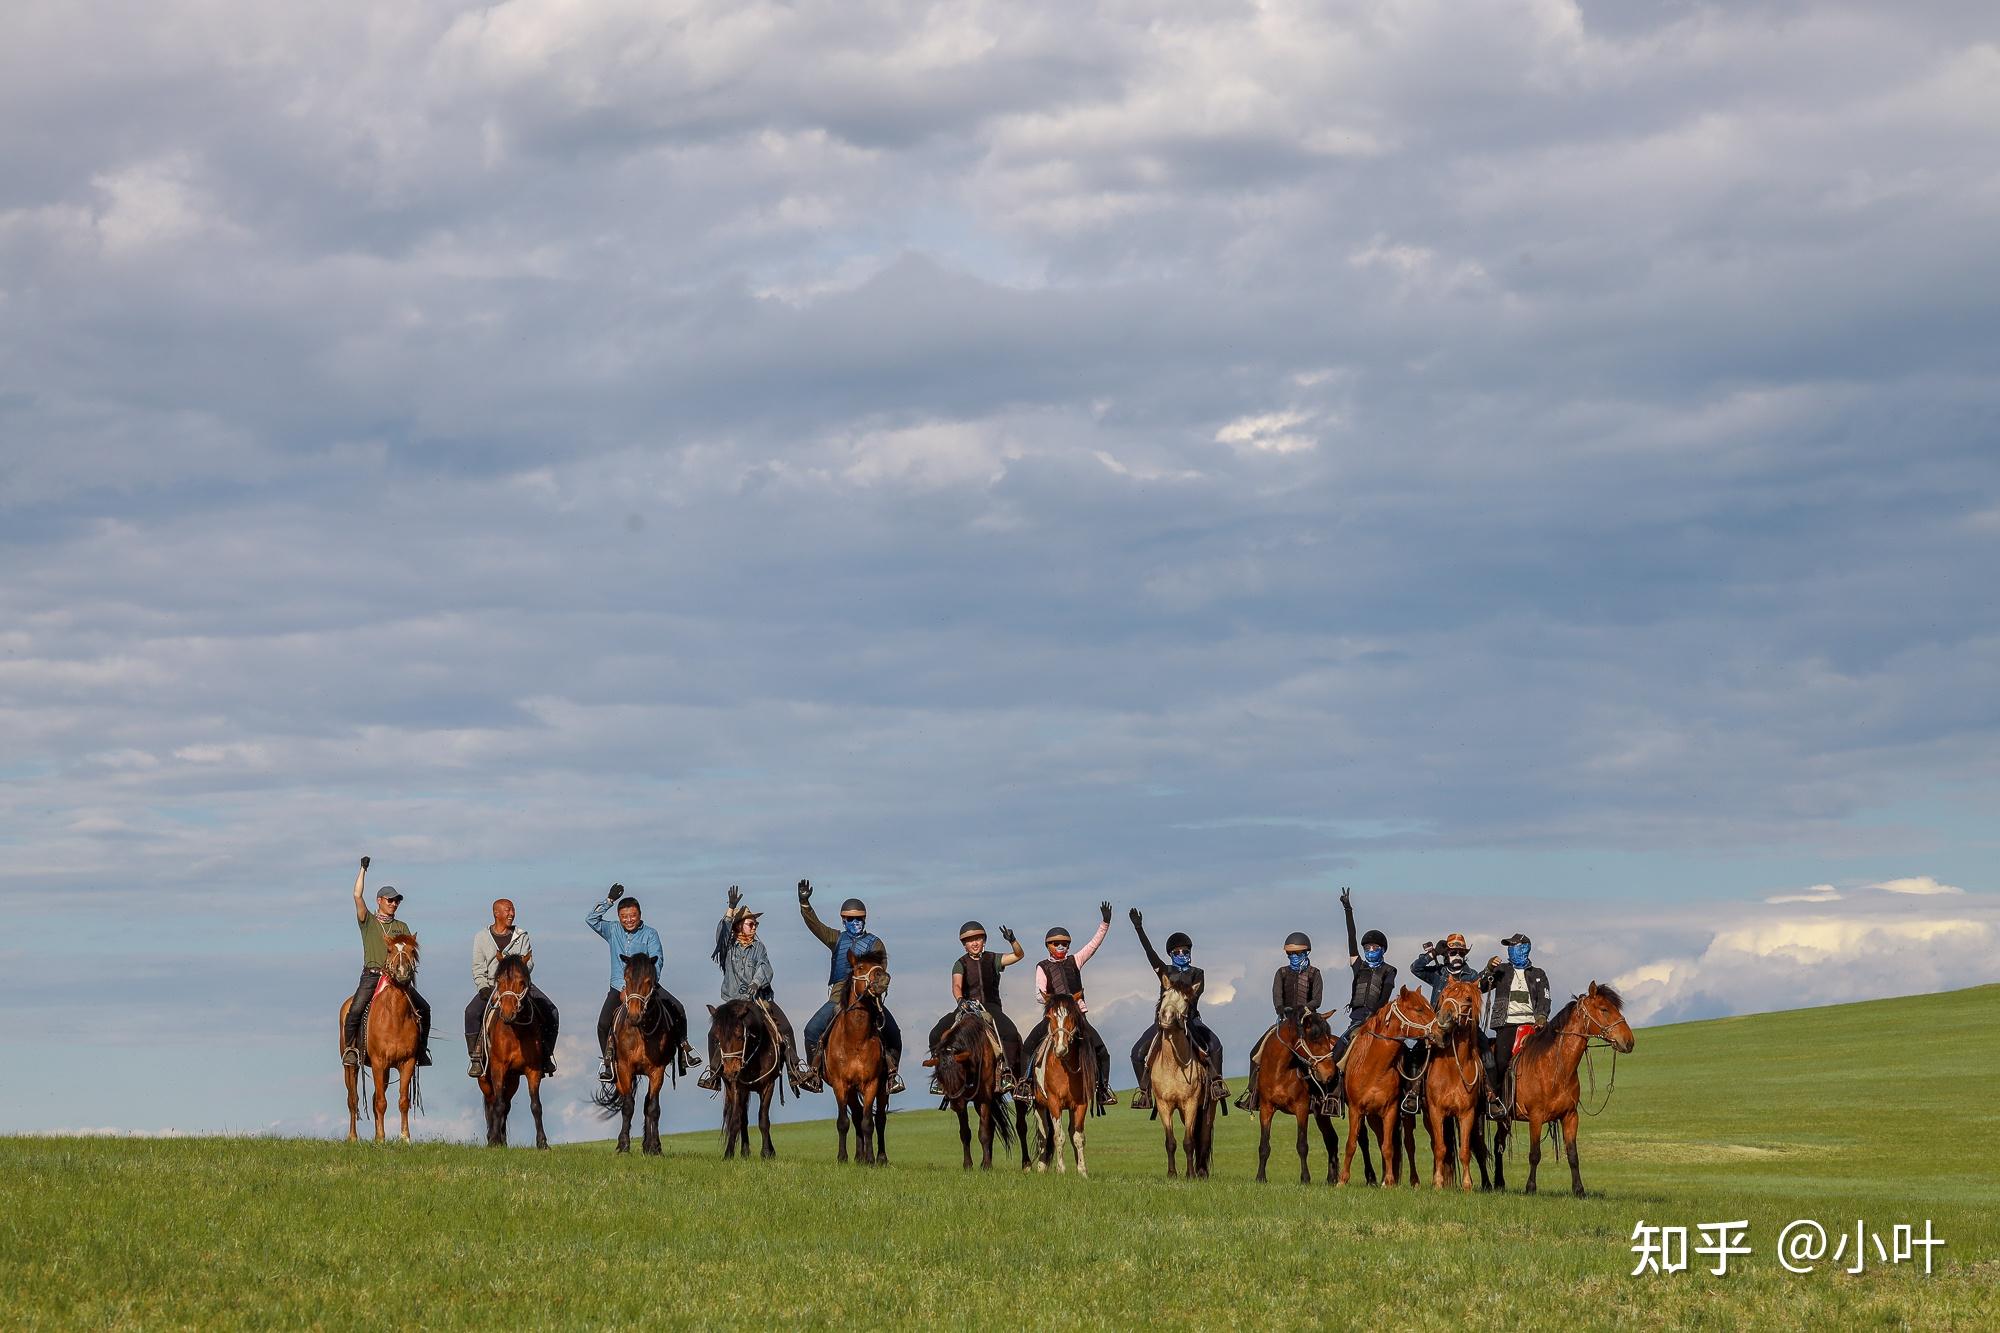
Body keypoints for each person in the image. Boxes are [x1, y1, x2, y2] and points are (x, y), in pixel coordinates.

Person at [698, 885, 810, 1094]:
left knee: (785, 1029)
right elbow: (721, 933)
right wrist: (730, 909)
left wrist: (756, 983)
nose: (755, 927)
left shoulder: (759, 947)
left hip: (759, 1001)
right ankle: (713, 1073)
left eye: (755, 924)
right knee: (714, 1033)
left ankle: (795, 1070)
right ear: (739, 926)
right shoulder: (728, 947)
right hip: (732, 1002)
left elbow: (765, 967)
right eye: (751, 923)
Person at [797, 879, 904, 1095]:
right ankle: (814, 1073)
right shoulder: (836, 938)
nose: (856, 923)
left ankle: (892, 1076)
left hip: (869, 1001)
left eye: (859, 919)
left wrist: (875, 989)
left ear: (865, 920)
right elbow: (816, 926)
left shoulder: (875, 943)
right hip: (838, 999)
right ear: (844, 920)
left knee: (893, 1032)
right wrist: (805, 904)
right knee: (811, 1030)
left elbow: (881, 975)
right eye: (851, 919)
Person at [587, 884, 699, 1081]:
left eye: (633, 915)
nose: (629, 920)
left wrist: (647, 983)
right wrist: (609, 901)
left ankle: (684, 1050)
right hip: (619, 986)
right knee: (603, 1023)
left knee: (678, 1008)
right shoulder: (612, 930)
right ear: (619, 917)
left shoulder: (650, 934)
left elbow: (658, 958)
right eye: (624, 916)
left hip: (646, 987)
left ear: (639, 915)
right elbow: (591, 919)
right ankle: (608, 1061)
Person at [1127, 908, 1228, 1108]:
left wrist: (1182, 1015)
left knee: (1216, 1045)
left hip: (1190, 1020)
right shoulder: (1165, 971)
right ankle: (1145, 1092)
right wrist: (1139, 928)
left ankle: (1216, 1084)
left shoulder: (1198, 973)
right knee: (1137, 1053)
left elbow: (1194, 998)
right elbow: (1150, 953)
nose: (1182, 954)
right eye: (1178, 952)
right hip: (1163, 1023)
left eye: (1186, 951)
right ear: (1171, 955)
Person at [1021, 903, 1117, 1107]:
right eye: (1056, 944)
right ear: (1048, 945)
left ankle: (1102, 1089)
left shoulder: (1076, 960)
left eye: (1064, 944)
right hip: (1054, 1018)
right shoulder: (1042, 966)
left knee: (1101, 1050)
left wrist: (1105, 923)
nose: (1060, 947)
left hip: (1077, 1017)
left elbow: (1093, 945)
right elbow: (1039, 993)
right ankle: (1026, 1084)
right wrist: (1055, 1001)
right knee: (1028, 1045)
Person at [342, 856, 432, 1068]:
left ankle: (420, 1050)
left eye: (397, 900)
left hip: (398, 979)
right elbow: (356, 895)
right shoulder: (369, 922)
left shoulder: (402, 926)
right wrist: (363, 869)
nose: (394, 904)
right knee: (354, 1010)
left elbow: (409, 955)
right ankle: (351, 1050)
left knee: (425, 1008)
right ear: (379, 901)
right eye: (390, 900)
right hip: (372, 975)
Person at [927, 921, 1026, 1096]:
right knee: (935, 1034)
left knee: (1009, 1033)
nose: (974, 943)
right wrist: (960, 1001)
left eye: (978, 938)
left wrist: (1013, 941)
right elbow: (956, 985)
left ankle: (1007, 1073)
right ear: (964, 945)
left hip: (990, 1007)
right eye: (969, 940)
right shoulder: (960, 963)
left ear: (984, 941)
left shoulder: (993, 959)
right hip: (966, 1006)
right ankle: (940, 1078)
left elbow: (1018, 955)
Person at [464, 897, 558, 1077]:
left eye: (513, 910)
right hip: (493, 985)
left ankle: (546, 1054)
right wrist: (483, 987)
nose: (512, 914)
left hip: (519, 985)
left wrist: (517, 974)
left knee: (552, 1011)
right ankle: (476, 1056)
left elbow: (529, 963)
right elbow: (478, 966)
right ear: (496, 913)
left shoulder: (522, 935)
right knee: (471, 1012)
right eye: (507, 910)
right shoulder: (482, 937)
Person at [1328, 886, 1398, 1114]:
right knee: (1338, 1050)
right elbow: (1351, 937)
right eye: (1367, 947)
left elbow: (1386, 996)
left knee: (1401, 1052)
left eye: (1374, 947)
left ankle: (1409, 1092)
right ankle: (1335, 1093)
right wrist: (1348, 909)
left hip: (1379, 1019)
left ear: (1383, 950)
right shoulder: (1358, 966)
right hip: (1357, 1019)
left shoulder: (1389, 970)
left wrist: (1375, 1014)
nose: (1370, 950)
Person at [1235, 930, 1321, 1112]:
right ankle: (1253, 1094)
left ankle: (1323, 1095)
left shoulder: (1315, 973)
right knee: (1255, 1053)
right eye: (1290, 954)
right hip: (1285, 1021)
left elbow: (1317, 1000)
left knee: (1320, 1055)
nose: (1293, 957)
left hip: (1307, 1022)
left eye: (1297, 954)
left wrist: (1304, 1010)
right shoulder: (1281, 973)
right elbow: (1277, 996)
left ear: (1306, 953)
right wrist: (1281, 1009)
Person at [1478, 932, 1550, 1119]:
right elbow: (1482, 986)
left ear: (1525, 948)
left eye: (1515, 946)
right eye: (1509, 947)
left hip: (1532, 1025)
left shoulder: (1538, 974)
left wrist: (1541, 1017)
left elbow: (1544, 999)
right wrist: (1487, 969)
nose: (1511, 950)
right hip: (1506, 1024)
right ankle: (1497, 1101)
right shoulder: (1501, 970)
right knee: (1501, 1061)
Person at [1411, 932, 1479, 1008]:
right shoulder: (1438, 973)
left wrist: (1490, 969)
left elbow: (1482, 988)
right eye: (1453, 953)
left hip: (1462, 1017)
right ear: (1446, 954)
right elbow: (1415, 969)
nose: (1457, 956)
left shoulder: (1472, 975)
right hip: (1439, 1018)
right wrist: (1433, 953)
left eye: (1461, 954)